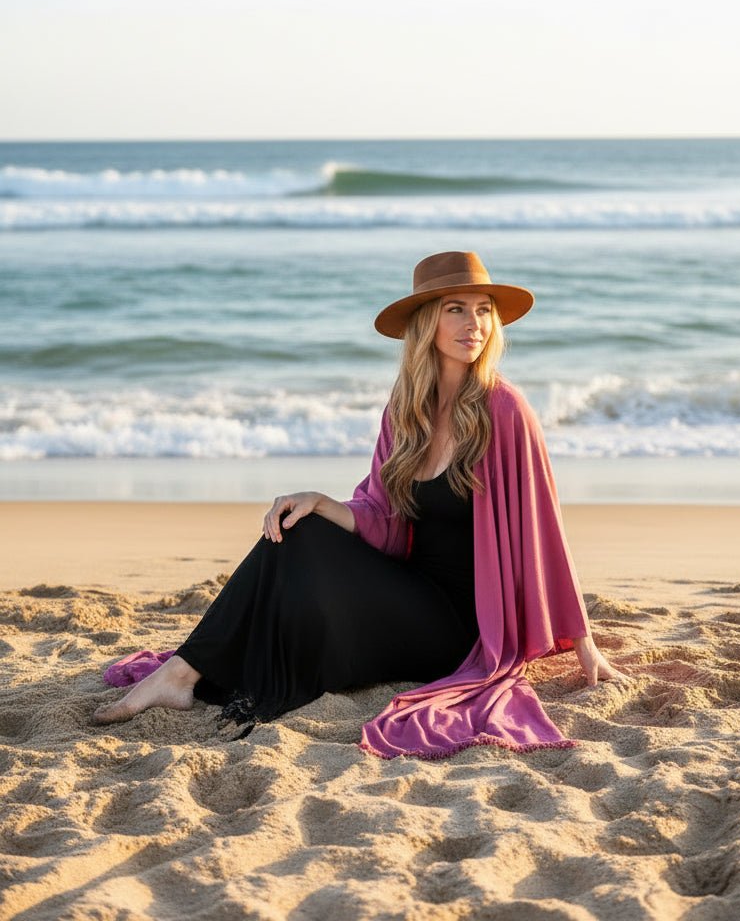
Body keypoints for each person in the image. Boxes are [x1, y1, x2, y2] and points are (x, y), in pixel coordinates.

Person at [93, 251, 626, 758]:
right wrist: (322, 502)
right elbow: (386, 522)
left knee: (299, 564)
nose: (475, 324)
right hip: (404, 594)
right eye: (456, 309)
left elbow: (543, 535)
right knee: (295, 525)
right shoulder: (406, 409)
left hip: (461, 626)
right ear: (426, 324)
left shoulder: (503, 409)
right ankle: (184, 675)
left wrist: (584, 644)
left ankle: (180, 675)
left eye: (484, 311)